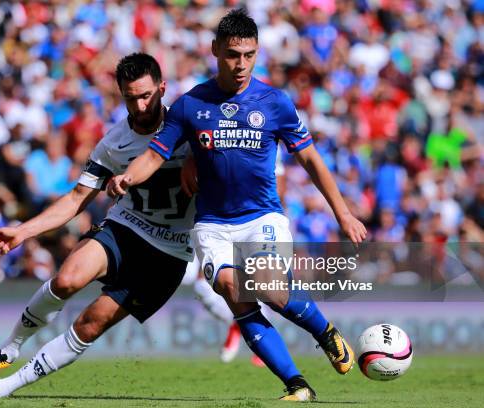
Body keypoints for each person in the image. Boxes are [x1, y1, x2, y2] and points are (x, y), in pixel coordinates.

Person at [108, 9, 367, 401]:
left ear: (257, 52)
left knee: (267, 286)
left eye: (248, 54)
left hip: (262, 216)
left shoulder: (275, 102)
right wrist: (129, 176)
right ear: (215, 50)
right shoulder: (190, 105)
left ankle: (324, 332)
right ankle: (297, 386)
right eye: (232, 54)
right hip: (212, 224)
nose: (241, 64)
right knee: (235, 291)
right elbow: (155, 155)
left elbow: (311, 159)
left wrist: (343, 212)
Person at [0, 53, 195, 399]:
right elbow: (76, 197)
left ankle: (3, 388)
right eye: (130, 98)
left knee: (90, 323)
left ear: (162, 88)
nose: (140, 106)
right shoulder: (113, 143)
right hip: (128, 227)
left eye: (146, 96)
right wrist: (23, 231)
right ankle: (9, 347)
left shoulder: (189, 131)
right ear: (120, 94)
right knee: (66, 279)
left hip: (169, 251)